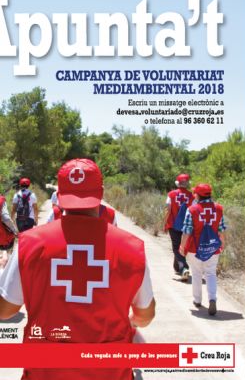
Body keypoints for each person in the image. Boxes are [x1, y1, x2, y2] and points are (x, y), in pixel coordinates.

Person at [0, 158, 155, 379]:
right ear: (100, 193)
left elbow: (5, 310)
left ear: (59, 195)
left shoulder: (30, 244)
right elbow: (145, 314)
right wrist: (132, 322)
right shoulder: (132, 249)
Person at [180, 183, 226, 316]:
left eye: (195, 193)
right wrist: (222, 243)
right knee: (210, 273)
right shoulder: (218, 209)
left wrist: (182, 246)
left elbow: (187, 231)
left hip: (195, 248)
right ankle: (212, 298)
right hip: (212, 247)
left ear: (198, 195)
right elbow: (221, 229)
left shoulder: (192, 209)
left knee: (196, 274)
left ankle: (197, 300)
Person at [165, 174, 193, 281]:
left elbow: (168, 209)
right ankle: (177, 267)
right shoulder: (191, 196)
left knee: (176, 246)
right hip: (187, 226)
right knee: (182, 246)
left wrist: (164, 223)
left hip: (173, 224)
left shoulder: (171, 194)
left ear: (177, 183)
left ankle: (184, 268)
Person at [0, 193, 19, 269]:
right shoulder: (1, 200)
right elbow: (6, 218)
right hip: (3, 236)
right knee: (6, 254)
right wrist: (14, 230)